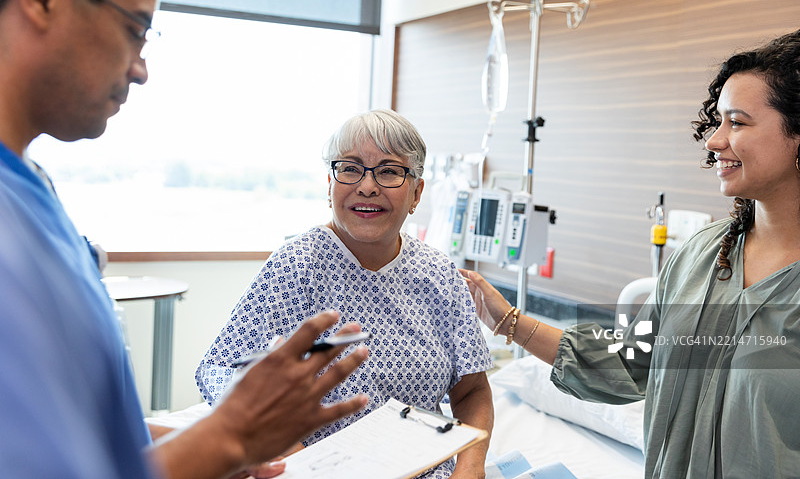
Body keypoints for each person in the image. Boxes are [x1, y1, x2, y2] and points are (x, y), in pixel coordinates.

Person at [0, 0, 368, 479]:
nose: (141, 69)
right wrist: (225, 436)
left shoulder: (33, 190)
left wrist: (215, 451)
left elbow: (87, 425)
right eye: (135, 29)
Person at [461, 29, 800, 478]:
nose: (714, 141)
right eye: (717, 122)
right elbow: (628, 362)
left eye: (736, 122)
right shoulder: (703, 256)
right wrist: (507, 320)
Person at [196, 109, 495, 478]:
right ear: (330, 184)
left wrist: (470, 467)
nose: (367, 186)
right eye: (350, 168)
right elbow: (219, 370)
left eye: (388, 171)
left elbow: (472, 390)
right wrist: (293, 458)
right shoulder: (296, 266)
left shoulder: (439, 275)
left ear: (417, 192)